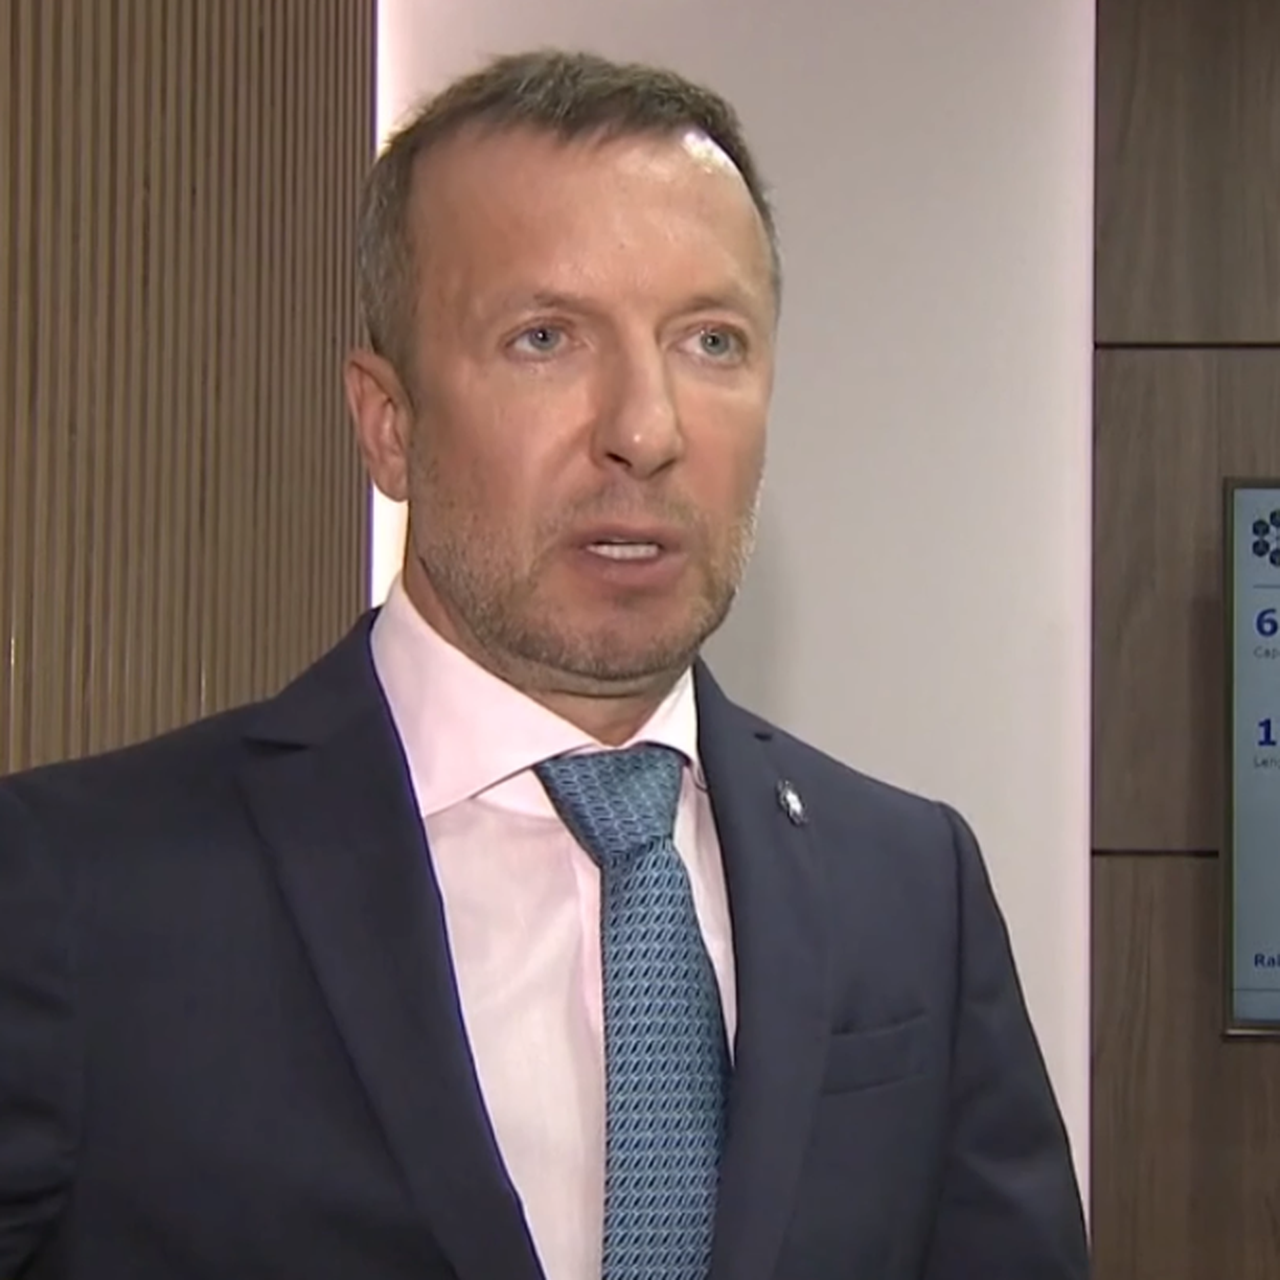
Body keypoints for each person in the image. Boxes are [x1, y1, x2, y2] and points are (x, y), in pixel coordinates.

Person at [0, 48, 1089, 1280]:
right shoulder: (76, 889)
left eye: (710, 340)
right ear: (388, 424)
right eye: (544, 337)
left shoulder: (912, 889)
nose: (645, 429)